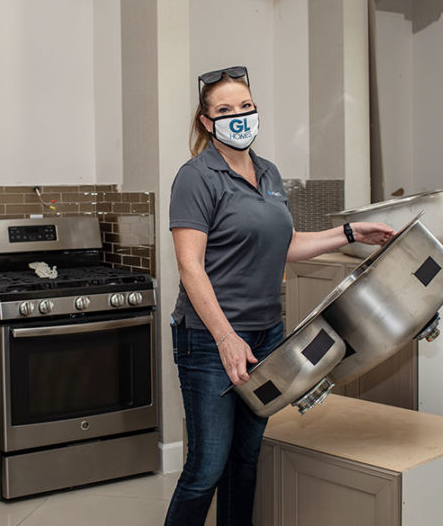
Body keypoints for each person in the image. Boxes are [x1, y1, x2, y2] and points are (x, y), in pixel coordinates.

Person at [164, 65, 396, 526]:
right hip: (210, 339)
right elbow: (190, 267)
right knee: (206, 466)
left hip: (267, 334)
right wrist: (226, 337)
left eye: (245, 106)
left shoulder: (267, 172)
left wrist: (350, 232)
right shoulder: (196, 177)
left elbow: (284, 244)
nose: (238, 116)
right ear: (207, 122)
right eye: (225, 110)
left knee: (245, 458)